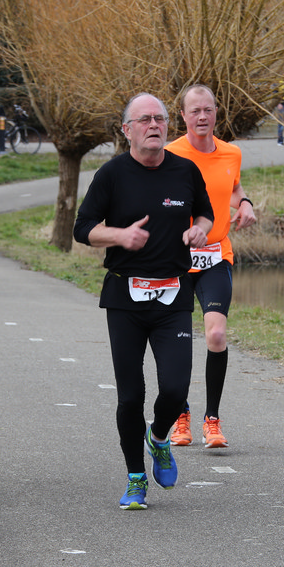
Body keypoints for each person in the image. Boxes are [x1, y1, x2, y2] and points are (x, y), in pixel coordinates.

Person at [73, 93, 214, 510]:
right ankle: (136, 478)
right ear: (127, 130)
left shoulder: (185, 170)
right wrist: (119, 235)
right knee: (130, 396)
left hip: (173, 295)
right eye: (145, 119)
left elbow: (205, 213)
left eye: (160, 118)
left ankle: (159, 438)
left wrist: (200, 230)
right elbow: (82, 227)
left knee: (175, 389)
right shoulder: (112, 174)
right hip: (126, 298)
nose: (154, 125)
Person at [165, 85, 258, 450]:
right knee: (177, 342)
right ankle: (181, 415)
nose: (202, 117)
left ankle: (212, 420)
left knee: (216, 335)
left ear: (216, 113)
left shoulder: (231, 153)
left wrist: (245, 202)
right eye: (195, 111)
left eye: (208, 110)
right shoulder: (170, 154)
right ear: (183, 116)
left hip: (217, 256)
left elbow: (231, 187)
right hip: (176, 260)